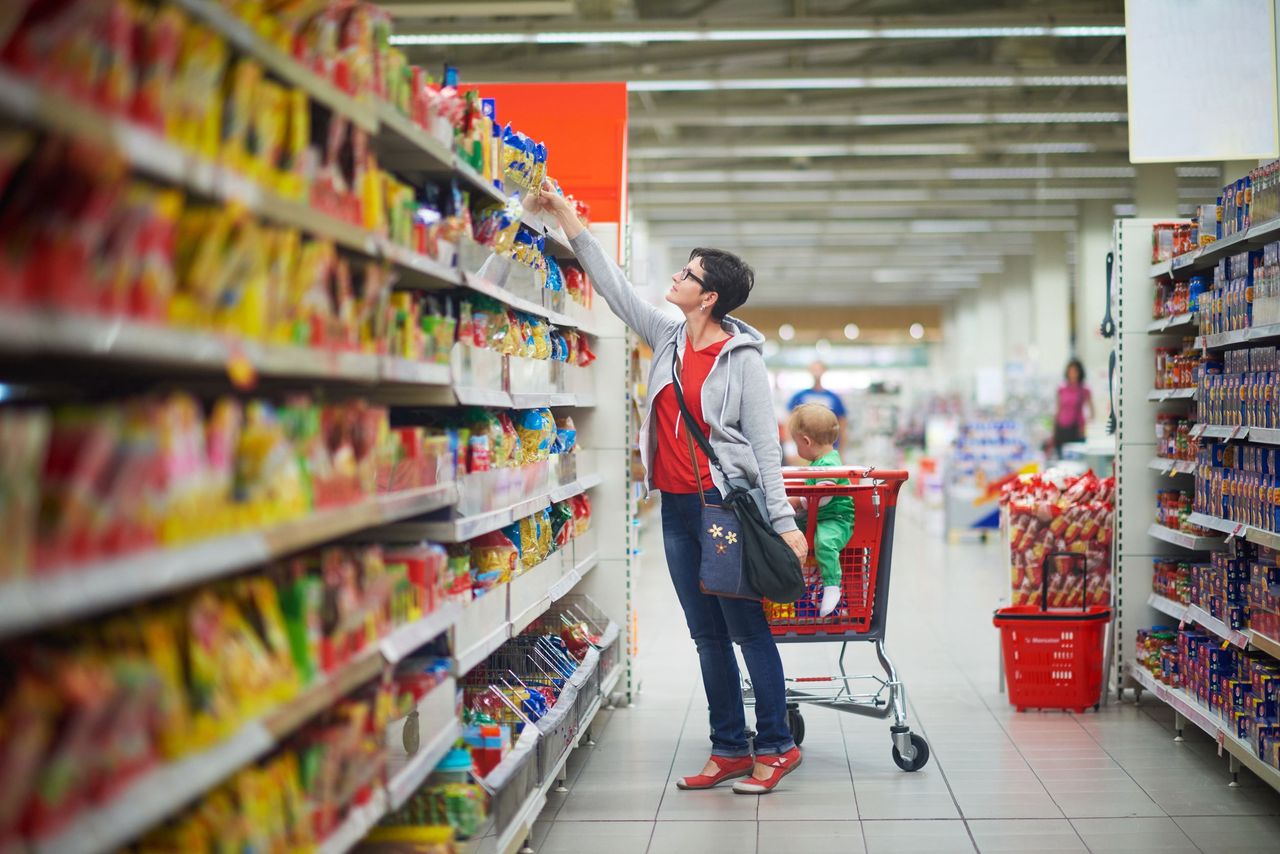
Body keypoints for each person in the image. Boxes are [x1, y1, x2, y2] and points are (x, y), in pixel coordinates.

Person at [527, 180, 807, 795]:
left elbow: (765, 447)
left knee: (745, 629)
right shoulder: (668, 337)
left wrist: (784, 522)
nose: (676, 278)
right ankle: (730, 747)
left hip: (726, 510)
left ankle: (777, 744)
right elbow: (613, 288)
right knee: (705, 634)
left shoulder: (743, 360)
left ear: (708, 297)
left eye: (688, 274)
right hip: (677, 512)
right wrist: (567, 217)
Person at [787, 404, 854, 618]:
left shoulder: (829, 464)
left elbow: (823, 497)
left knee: (825, 543)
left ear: (806, 441)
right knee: (787, 532)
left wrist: (796, 502)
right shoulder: (817, 462)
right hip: (818, 517)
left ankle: (832, 587)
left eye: (795, 442)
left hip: (836, 518)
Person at [787, 361, 847, 450]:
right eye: (814, 369)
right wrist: (790, 449)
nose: (817, 372)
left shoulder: (834, 398)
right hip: (804, 451)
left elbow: (842, 425)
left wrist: (842, 451)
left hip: (829, 449)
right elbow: (789, 422)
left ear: (824, 370)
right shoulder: (799, 396)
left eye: (819, 369)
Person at [1054, 358, 1093, 458]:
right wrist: (1054, 429)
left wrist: (1087, 426)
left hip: (1077, 429)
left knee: (1077, 458)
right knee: (1062, 457)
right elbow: (1058, 408)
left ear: (1079, 372)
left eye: (1075, 371)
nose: (1072, 374)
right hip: (1062, 429)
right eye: (1070, 371)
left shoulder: (1084, 389)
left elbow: (1091, 410)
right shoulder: (1062, 388)